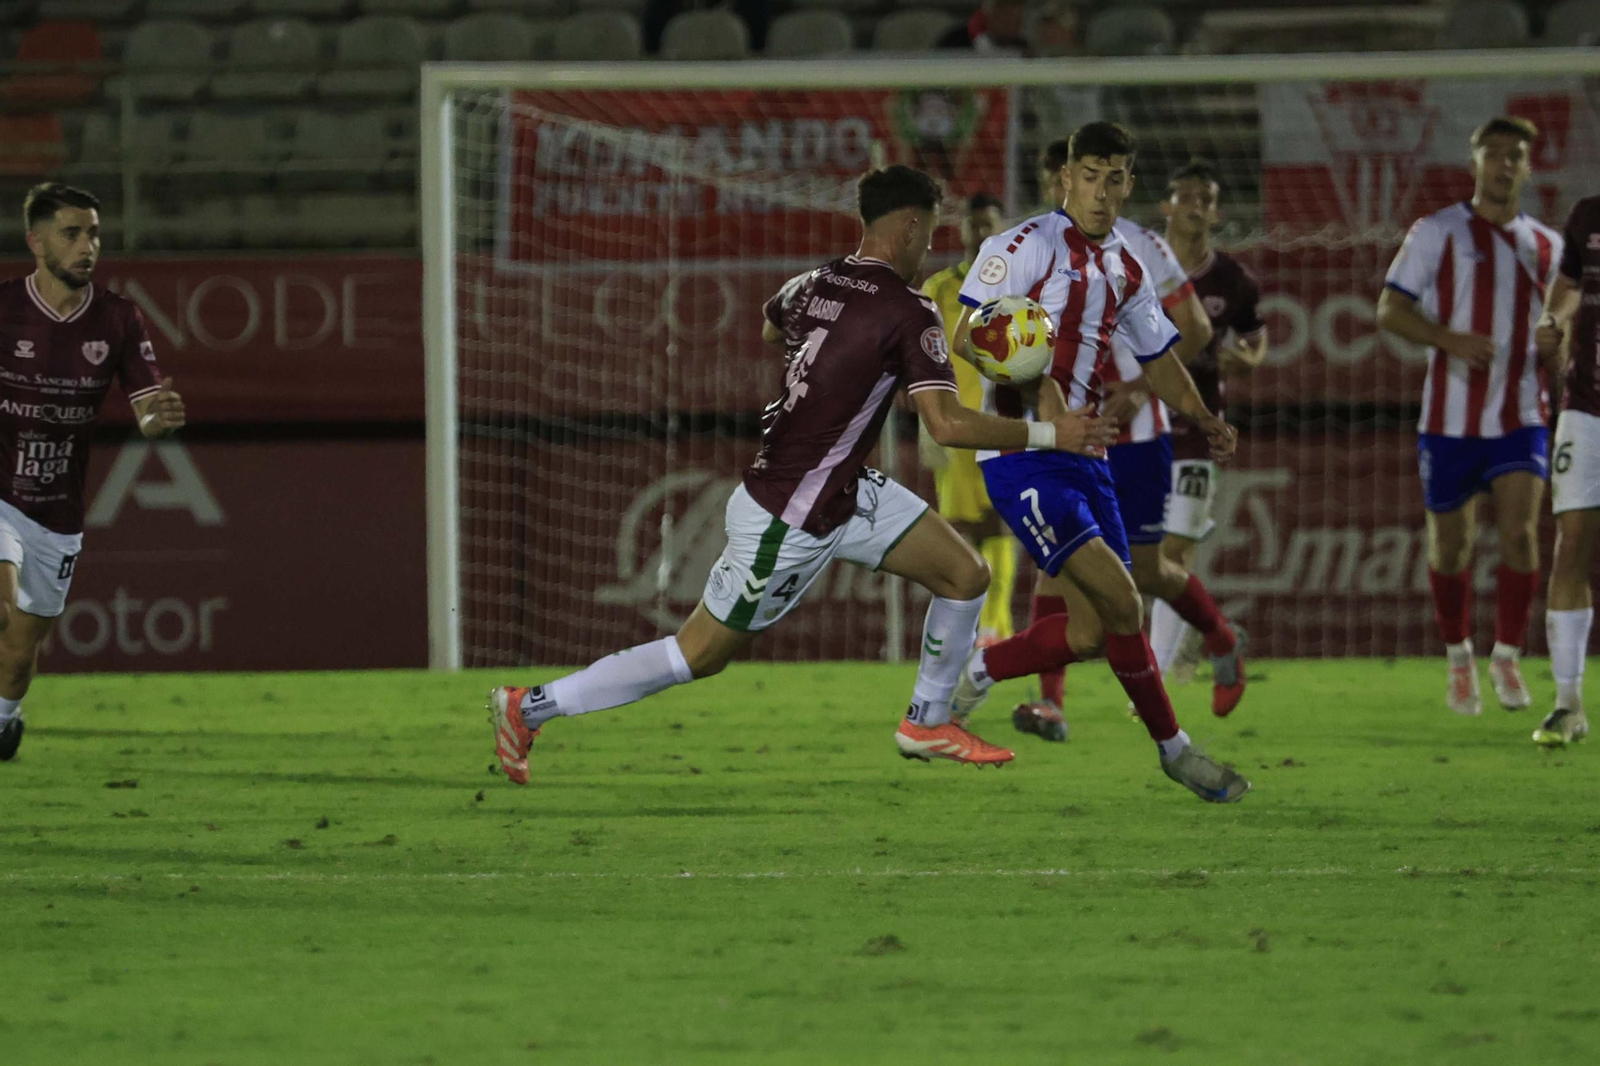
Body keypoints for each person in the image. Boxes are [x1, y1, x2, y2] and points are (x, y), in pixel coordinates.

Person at [488, 165, 1117, 783]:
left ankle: (927, 719)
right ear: (906, 227)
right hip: (789, 514)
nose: (928, 249)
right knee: (698, 655)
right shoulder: (910, 310)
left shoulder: (814, 282)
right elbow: (947, 425)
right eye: (926, 234)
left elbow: (772, 326)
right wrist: (1049, 434)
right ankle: (530, 707)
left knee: (965, 574)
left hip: (844, 489)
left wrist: (837, 367)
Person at [948, 122, 1251, 802]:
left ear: (1127, 185)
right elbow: (967, 335)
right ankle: (1177, 753)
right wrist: (1037, 383)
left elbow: (1161, 360)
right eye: (1089, 175)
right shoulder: (1021, 246)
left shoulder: (1127, 264)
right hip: (1024, 451)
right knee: (1122, 600)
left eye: (1114, 178)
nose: (1101, 191)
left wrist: (1201, 416)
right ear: (1066, 179)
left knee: (1091, 632)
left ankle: (979, 672)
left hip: (1091, 455)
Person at [1017, 138, 1247, 726]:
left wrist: (1142, 389)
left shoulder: (1142, 246)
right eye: (1062, 182)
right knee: (1057, 560)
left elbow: (1193, 330)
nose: (1070, 193)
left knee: (1144, 572)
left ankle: (1219, 637)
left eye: (1098, 180)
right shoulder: (1026, 249)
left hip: (1139, 433)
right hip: (1067, 434)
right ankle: (1051, 701)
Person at [1377, 117, 1564, 717]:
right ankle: (1459, 658)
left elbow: (1561, 326)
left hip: (1522, 413)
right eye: (1495, 153)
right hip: (1449, 420)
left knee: (1519, 535)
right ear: (1474, 161)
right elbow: (1389, 309)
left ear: (1529, 168)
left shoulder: (1549, 247)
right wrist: (1447, 339)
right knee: (1450, 548)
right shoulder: (1437, 233)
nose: (1506, 164)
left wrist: (1558, 342)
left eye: (1517, 156)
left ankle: (1506, 656)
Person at [0, 183, 186, 763]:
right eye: (72, 233)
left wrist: (159, 421)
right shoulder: (3, 310)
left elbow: (146, 407)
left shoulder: (118, 319)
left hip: (57, 509)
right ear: (36, 242)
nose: (88, 246)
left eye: (94, 234)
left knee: (19, 654)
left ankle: (4, 719)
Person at [1148, 160, 1268, 682]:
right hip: (1139, 423)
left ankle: (1156, 672)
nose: (1196, 205)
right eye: (1185, 194)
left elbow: (1254, 335)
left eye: (1206, 197)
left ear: (1217, 212)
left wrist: (1250, 358)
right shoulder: (1135, 265)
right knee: (1138, 552)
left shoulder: (1233, 280)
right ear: (1165, 207)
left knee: (1178, 547)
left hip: (1199, 429)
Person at [920, 192, 1020, 652]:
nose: (981, 234)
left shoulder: (1018, 289)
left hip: (1002, 423)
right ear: (961, 230)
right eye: (974, 225)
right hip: (951, 424)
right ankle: (965, 630)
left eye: (989, 226)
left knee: (1000, 521)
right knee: (961, 530)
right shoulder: (939, 288)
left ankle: (995, 629)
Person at [1533, 192, 1599, 747]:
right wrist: (1552, 315)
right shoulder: (1587, 215)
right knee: (1571, 542)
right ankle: (1568, 703)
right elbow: (1569, 286)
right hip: (1586, 407)